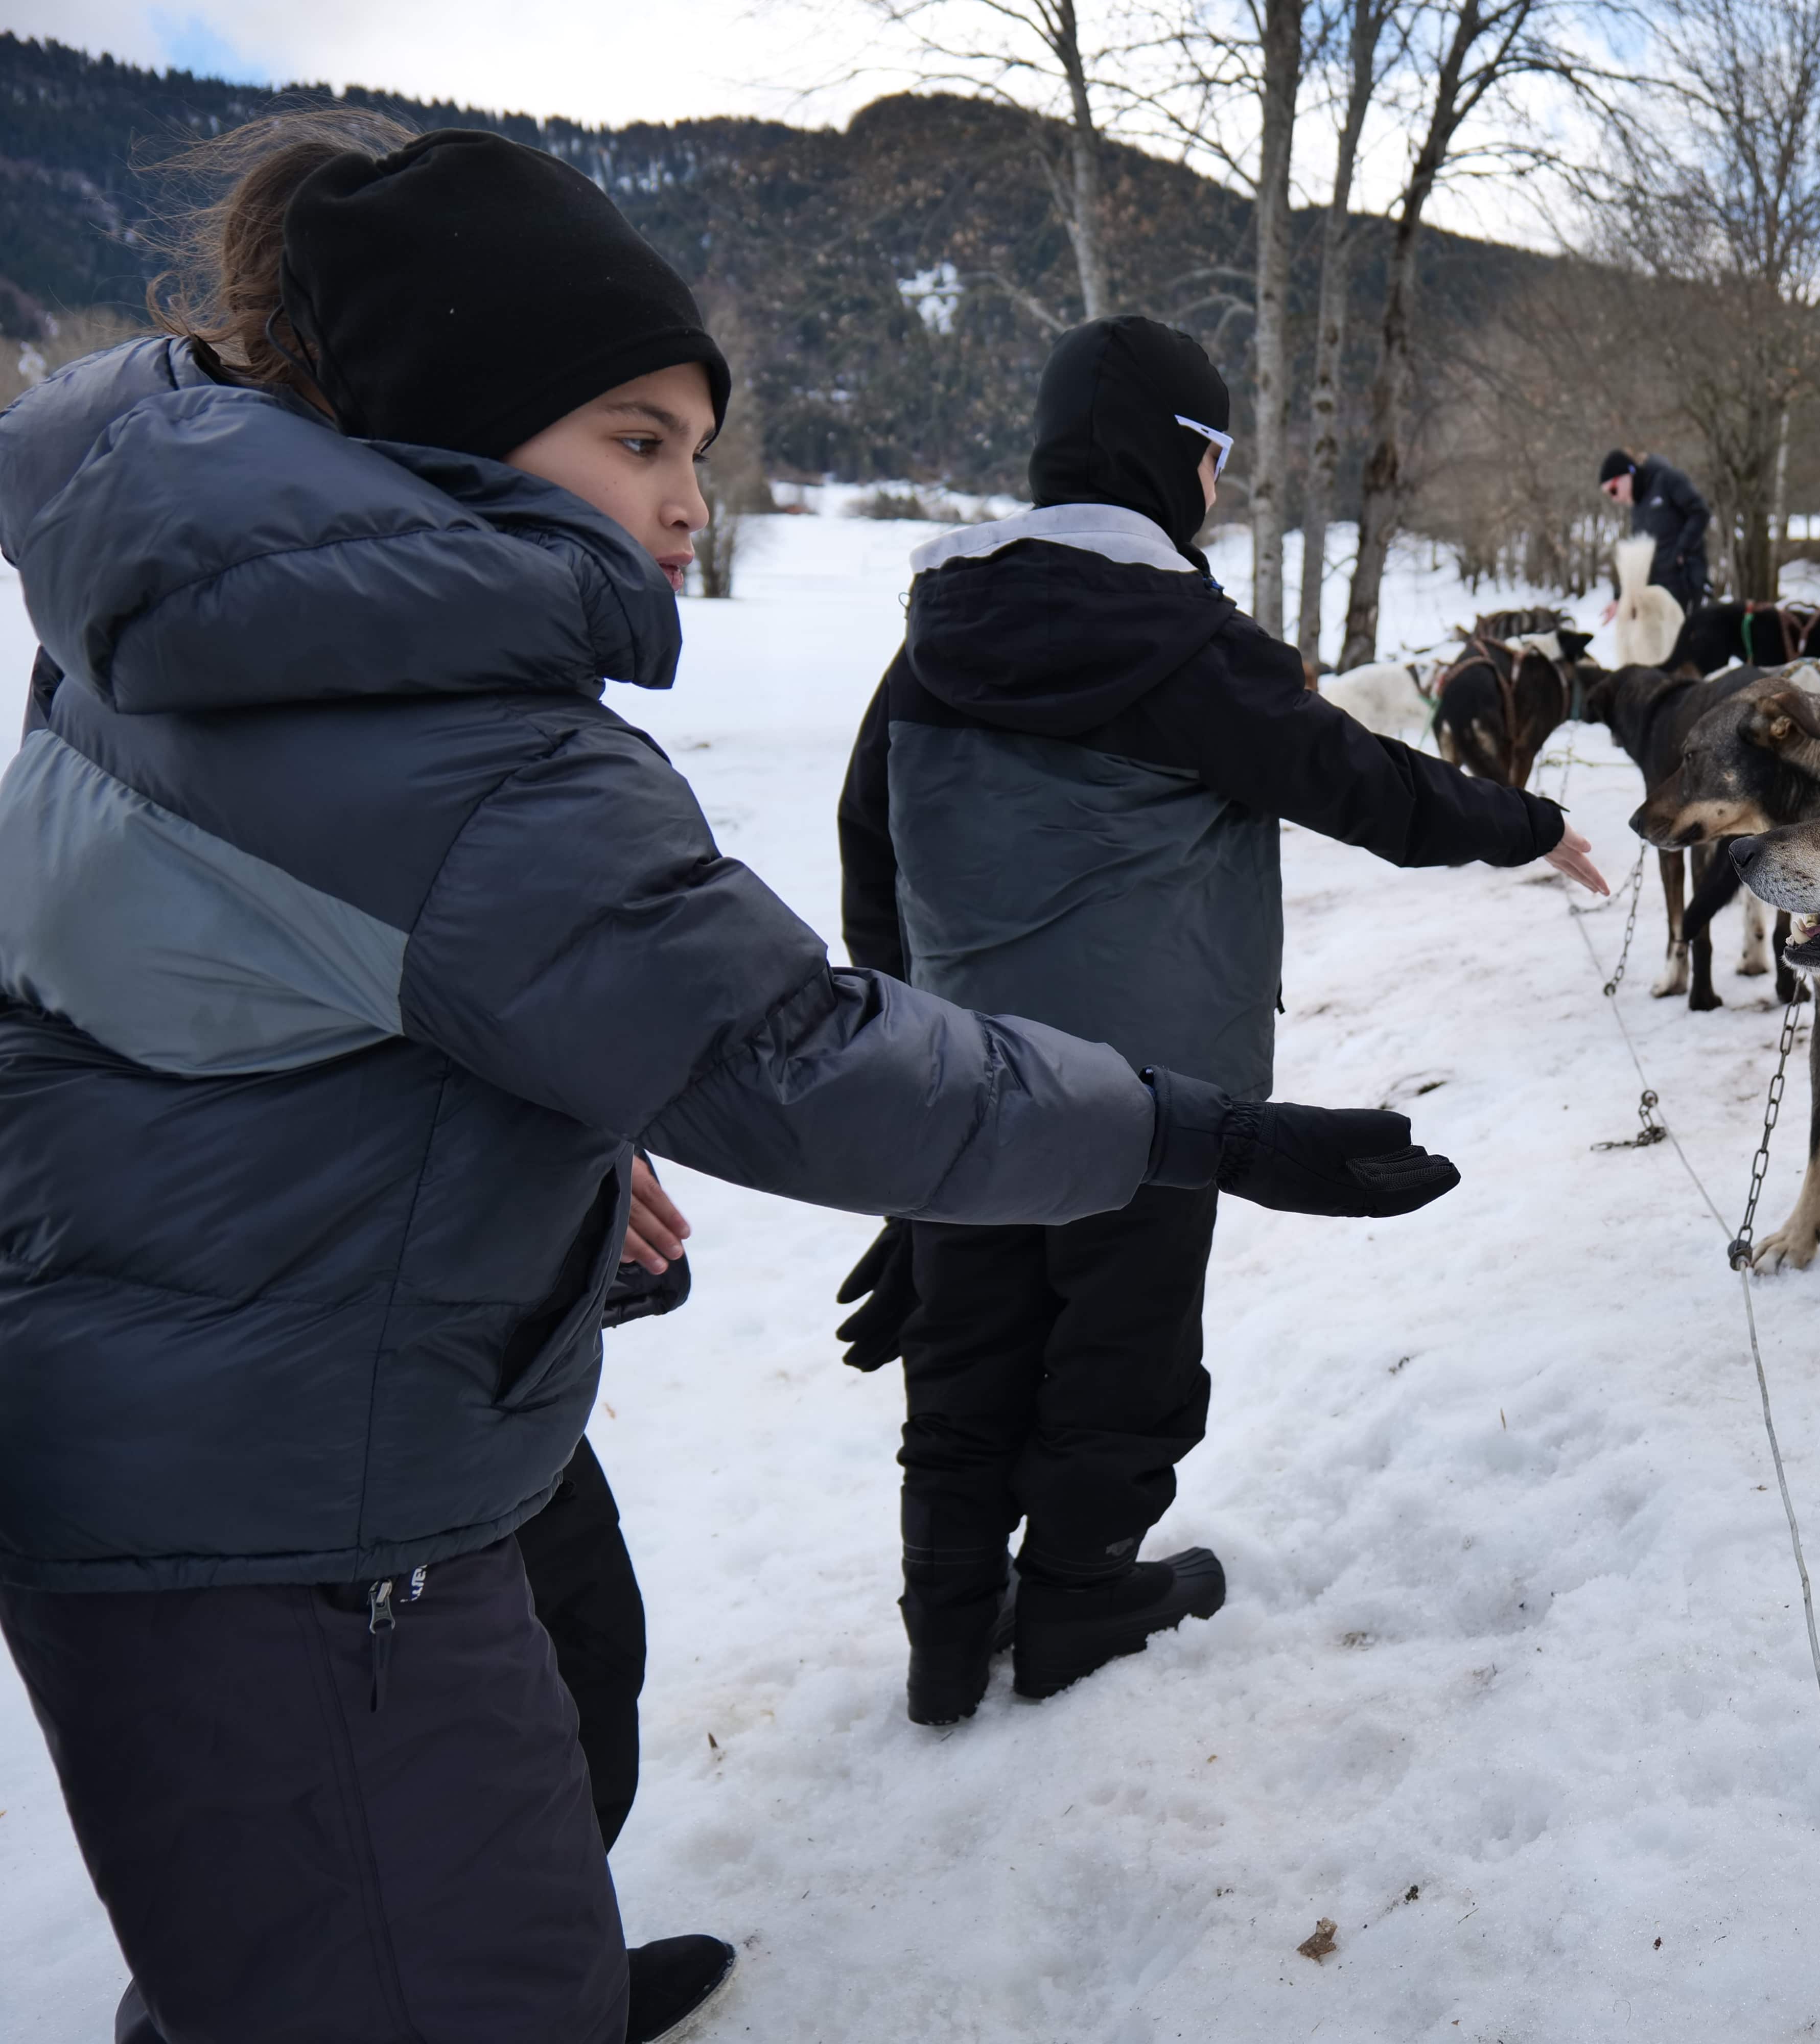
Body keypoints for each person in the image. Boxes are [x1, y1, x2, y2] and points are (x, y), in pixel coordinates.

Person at [0, 119, 1456, 2044]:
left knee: (467, 1771)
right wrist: (1203, 1122)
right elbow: (796, 1048)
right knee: (407, 1966)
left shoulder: (184, 627)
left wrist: (528, 1119)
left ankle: (558, 1938)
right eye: (636, 439)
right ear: (450, 420)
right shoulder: (466, 752)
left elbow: (207, 979)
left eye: (696, 444)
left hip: (259, 1380)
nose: (691, 500)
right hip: (287, 1493)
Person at [835, 316, 1607, 1728]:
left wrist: (899, 1045)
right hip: (1147, 1095)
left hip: (954, 1083)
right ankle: (1075, 1596)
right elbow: (1367, 788)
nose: (1217, 488)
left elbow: (867, 848)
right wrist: (1528, 821)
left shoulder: (932, 640)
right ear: (1171, 458)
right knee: (1121, 1345)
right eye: (1214, 458)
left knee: (965, 1346)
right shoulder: (1180, 643)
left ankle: (947, 1639)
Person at [1597, 447, 1713, 610]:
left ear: (1626, 475)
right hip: (1659, 589)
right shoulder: (1638, 507)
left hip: (1685, 582)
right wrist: (1620, 597)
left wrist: (1681, 551)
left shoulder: (1667, 479)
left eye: (1613, 491)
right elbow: (1639, 555)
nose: (1615, 499)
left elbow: (1700, 513)